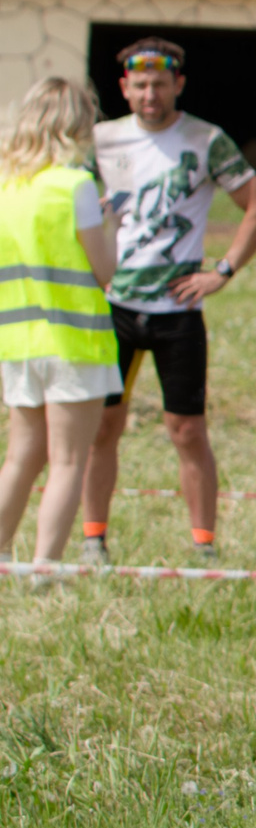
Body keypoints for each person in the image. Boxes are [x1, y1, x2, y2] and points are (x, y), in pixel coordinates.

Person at [82, 37, 256, 564]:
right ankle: (93, 538)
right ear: (124, 87)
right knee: (102, 424)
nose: (150, 93)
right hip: (114, 305)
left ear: (178, 85)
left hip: (179, 311)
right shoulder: (100, 140)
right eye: (140, 84)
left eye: (160, 83)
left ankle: (203, 547)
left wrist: (222, 271)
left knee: (187, 430)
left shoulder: (206, 139)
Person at [0, 79, 119, 567]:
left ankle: (3, 554)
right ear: (77, 124)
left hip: (17, 341)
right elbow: (103, 269)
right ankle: (44, 567)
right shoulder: (77, 186)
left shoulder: (9, 185)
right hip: (75, 343)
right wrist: (110, 222)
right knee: (68, 460)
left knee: (20, 457)